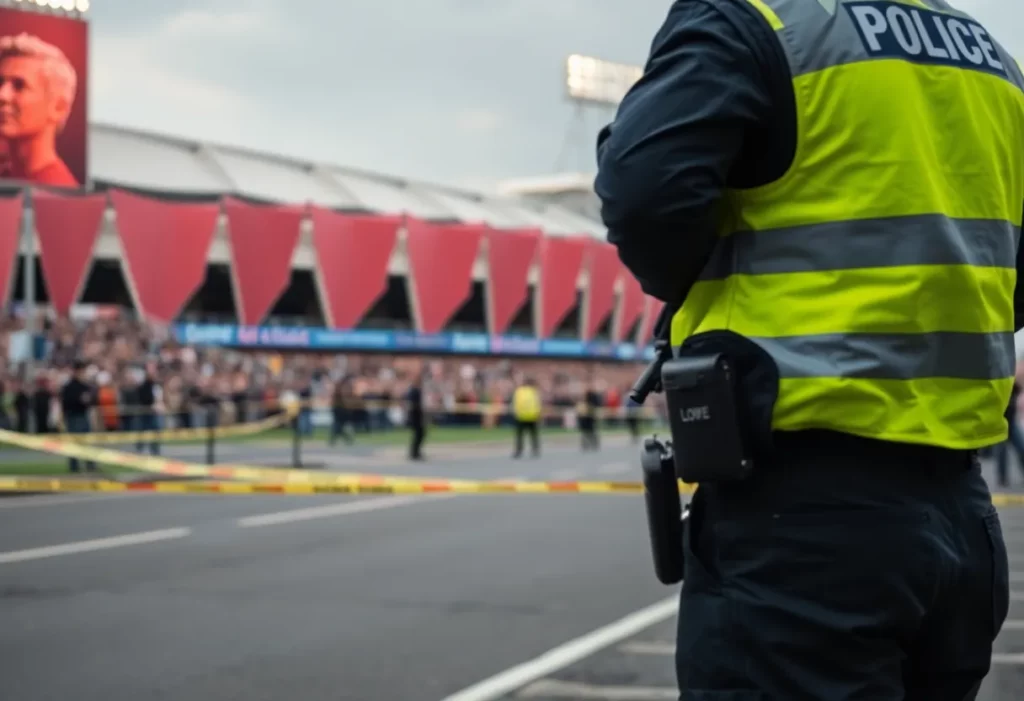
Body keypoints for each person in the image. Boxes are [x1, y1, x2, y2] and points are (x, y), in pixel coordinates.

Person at [596, 1, 1022, 698]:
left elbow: (643, 194)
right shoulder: (992, 61)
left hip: (803, 527)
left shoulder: (751, 16)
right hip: (961, 519)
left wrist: (693, 280)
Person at [0, 33, 79, 187]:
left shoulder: (59, 191)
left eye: (19, 85)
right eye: (0, 83)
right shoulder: (7, 174)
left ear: (58, 108)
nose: (2, 95)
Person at [60, 360, 96, 473]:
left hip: (83, 415)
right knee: (74, 443)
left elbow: (92, 400)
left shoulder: (85, 386)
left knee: (88, 442)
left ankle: (90, 465)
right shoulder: (69, 387)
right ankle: (74, 466)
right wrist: (80, 400)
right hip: (73, 416)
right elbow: (66, 403)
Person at [511, 376, 541, 458]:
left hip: (521, 416)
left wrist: (516, 413)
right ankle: (535, 449)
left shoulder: (519, 391)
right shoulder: (534, 391)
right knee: (533, 434)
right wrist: (538, 414)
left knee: (520, 435)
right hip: (532, 416)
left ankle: (518, 450)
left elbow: (515, 403)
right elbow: (537, 403)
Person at [406, 371, 426, 461]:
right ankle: (414, 452)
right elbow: (411, 404)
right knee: (418, 434)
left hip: (418, 415)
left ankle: (415, 452)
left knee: (420, 434)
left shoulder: (416, 390)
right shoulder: (413, 391)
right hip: (415, 416)